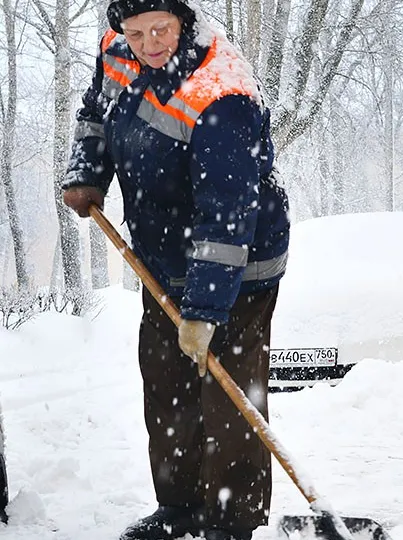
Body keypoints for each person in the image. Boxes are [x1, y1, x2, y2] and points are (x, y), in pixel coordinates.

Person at [61, 1, 289, 538]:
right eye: (135, 33)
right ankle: (181, 507)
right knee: (167, 387)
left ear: (185, 20)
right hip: (162, 258)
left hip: (238, 267)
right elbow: (97, 110)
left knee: (227, 399)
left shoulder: (221, 93)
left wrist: (205, 311)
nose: (148, 43)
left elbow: (227, 213)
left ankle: (231, 521)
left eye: (160, 29)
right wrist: (87, 171)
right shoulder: (120, 51)